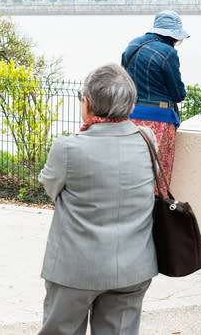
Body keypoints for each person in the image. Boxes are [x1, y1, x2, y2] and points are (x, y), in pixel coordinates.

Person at [38, 63, 157, 335]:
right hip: (133, 267)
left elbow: (50, 188)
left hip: (74, 269)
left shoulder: (67, 148)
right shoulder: (147, 139)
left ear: (87, 104)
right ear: (130, 104)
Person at [121, 10, 188, 193]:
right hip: (160, 120)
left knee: (131, 171)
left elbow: (123, 78)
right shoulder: (168, 53)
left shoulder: (132, 45)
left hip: (130, 118)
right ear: (173, 36)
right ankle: (155, 216)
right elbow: (178, 93)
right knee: (159, 175)